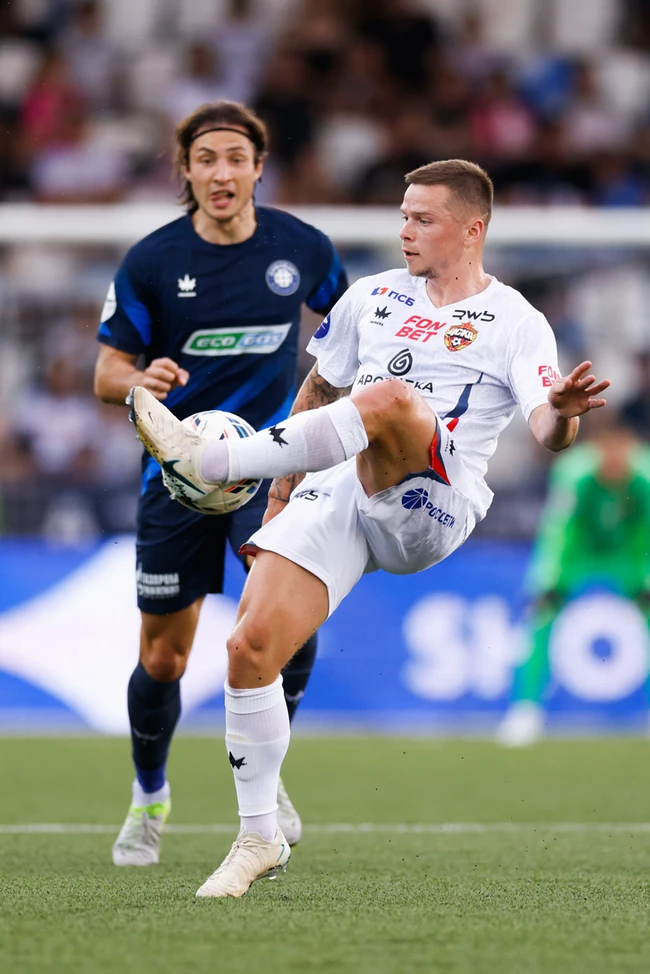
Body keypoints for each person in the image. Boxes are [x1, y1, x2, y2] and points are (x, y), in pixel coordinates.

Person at [130, 158, 609, 897]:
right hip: (341, 486)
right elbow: (321, 387)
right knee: (248, 649)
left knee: (390, 401)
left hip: (433, 503)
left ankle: (213, 460)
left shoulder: (517, 320)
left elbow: (547, 428)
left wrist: (567, 416)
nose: (405, 230)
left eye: (423, 219)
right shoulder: (372, 296)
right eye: (403, 215)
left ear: (471, 230)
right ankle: (258, 837)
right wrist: (282, 491)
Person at [93, 100, 348, 866]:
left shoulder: (302, 249)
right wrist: (141, 380)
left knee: (287, 621)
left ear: (259, 167)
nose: (222, 172)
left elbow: (354, 331)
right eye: (206, 159)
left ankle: (267, 776)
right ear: (186, 170)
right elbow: (107, 373)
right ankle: (149, 797)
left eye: (236, 157)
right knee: (164, 658)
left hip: (266, 470)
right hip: (175, 477)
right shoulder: (152, 261)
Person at [497, 420, 650, 747]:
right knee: (541, 618)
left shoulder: (645, 477)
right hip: (578, 553)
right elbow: (560, 529)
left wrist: (645, 578)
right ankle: (525, 710)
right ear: (597, 450)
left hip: (627, 553)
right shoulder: (574, 474)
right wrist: (551, 580)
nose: (615, 461)